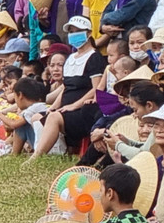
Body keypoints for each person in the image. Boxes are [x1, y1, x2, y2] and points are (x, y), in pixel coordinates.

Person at [31, 16, 108, 159]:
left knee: (54, 117)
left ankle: (36, 157)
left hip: (84, 111)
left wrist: (73, 105)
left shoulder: (94, 57)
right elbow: (66, 88)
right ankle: (54, 151)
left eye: (78, 31)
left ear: (89, 33)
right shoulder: (71, 58)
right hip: (65, 109)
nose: (74, 34)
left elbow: (96, 89)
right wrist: (53, 106)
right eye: (71, 31)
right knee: (39, 115)